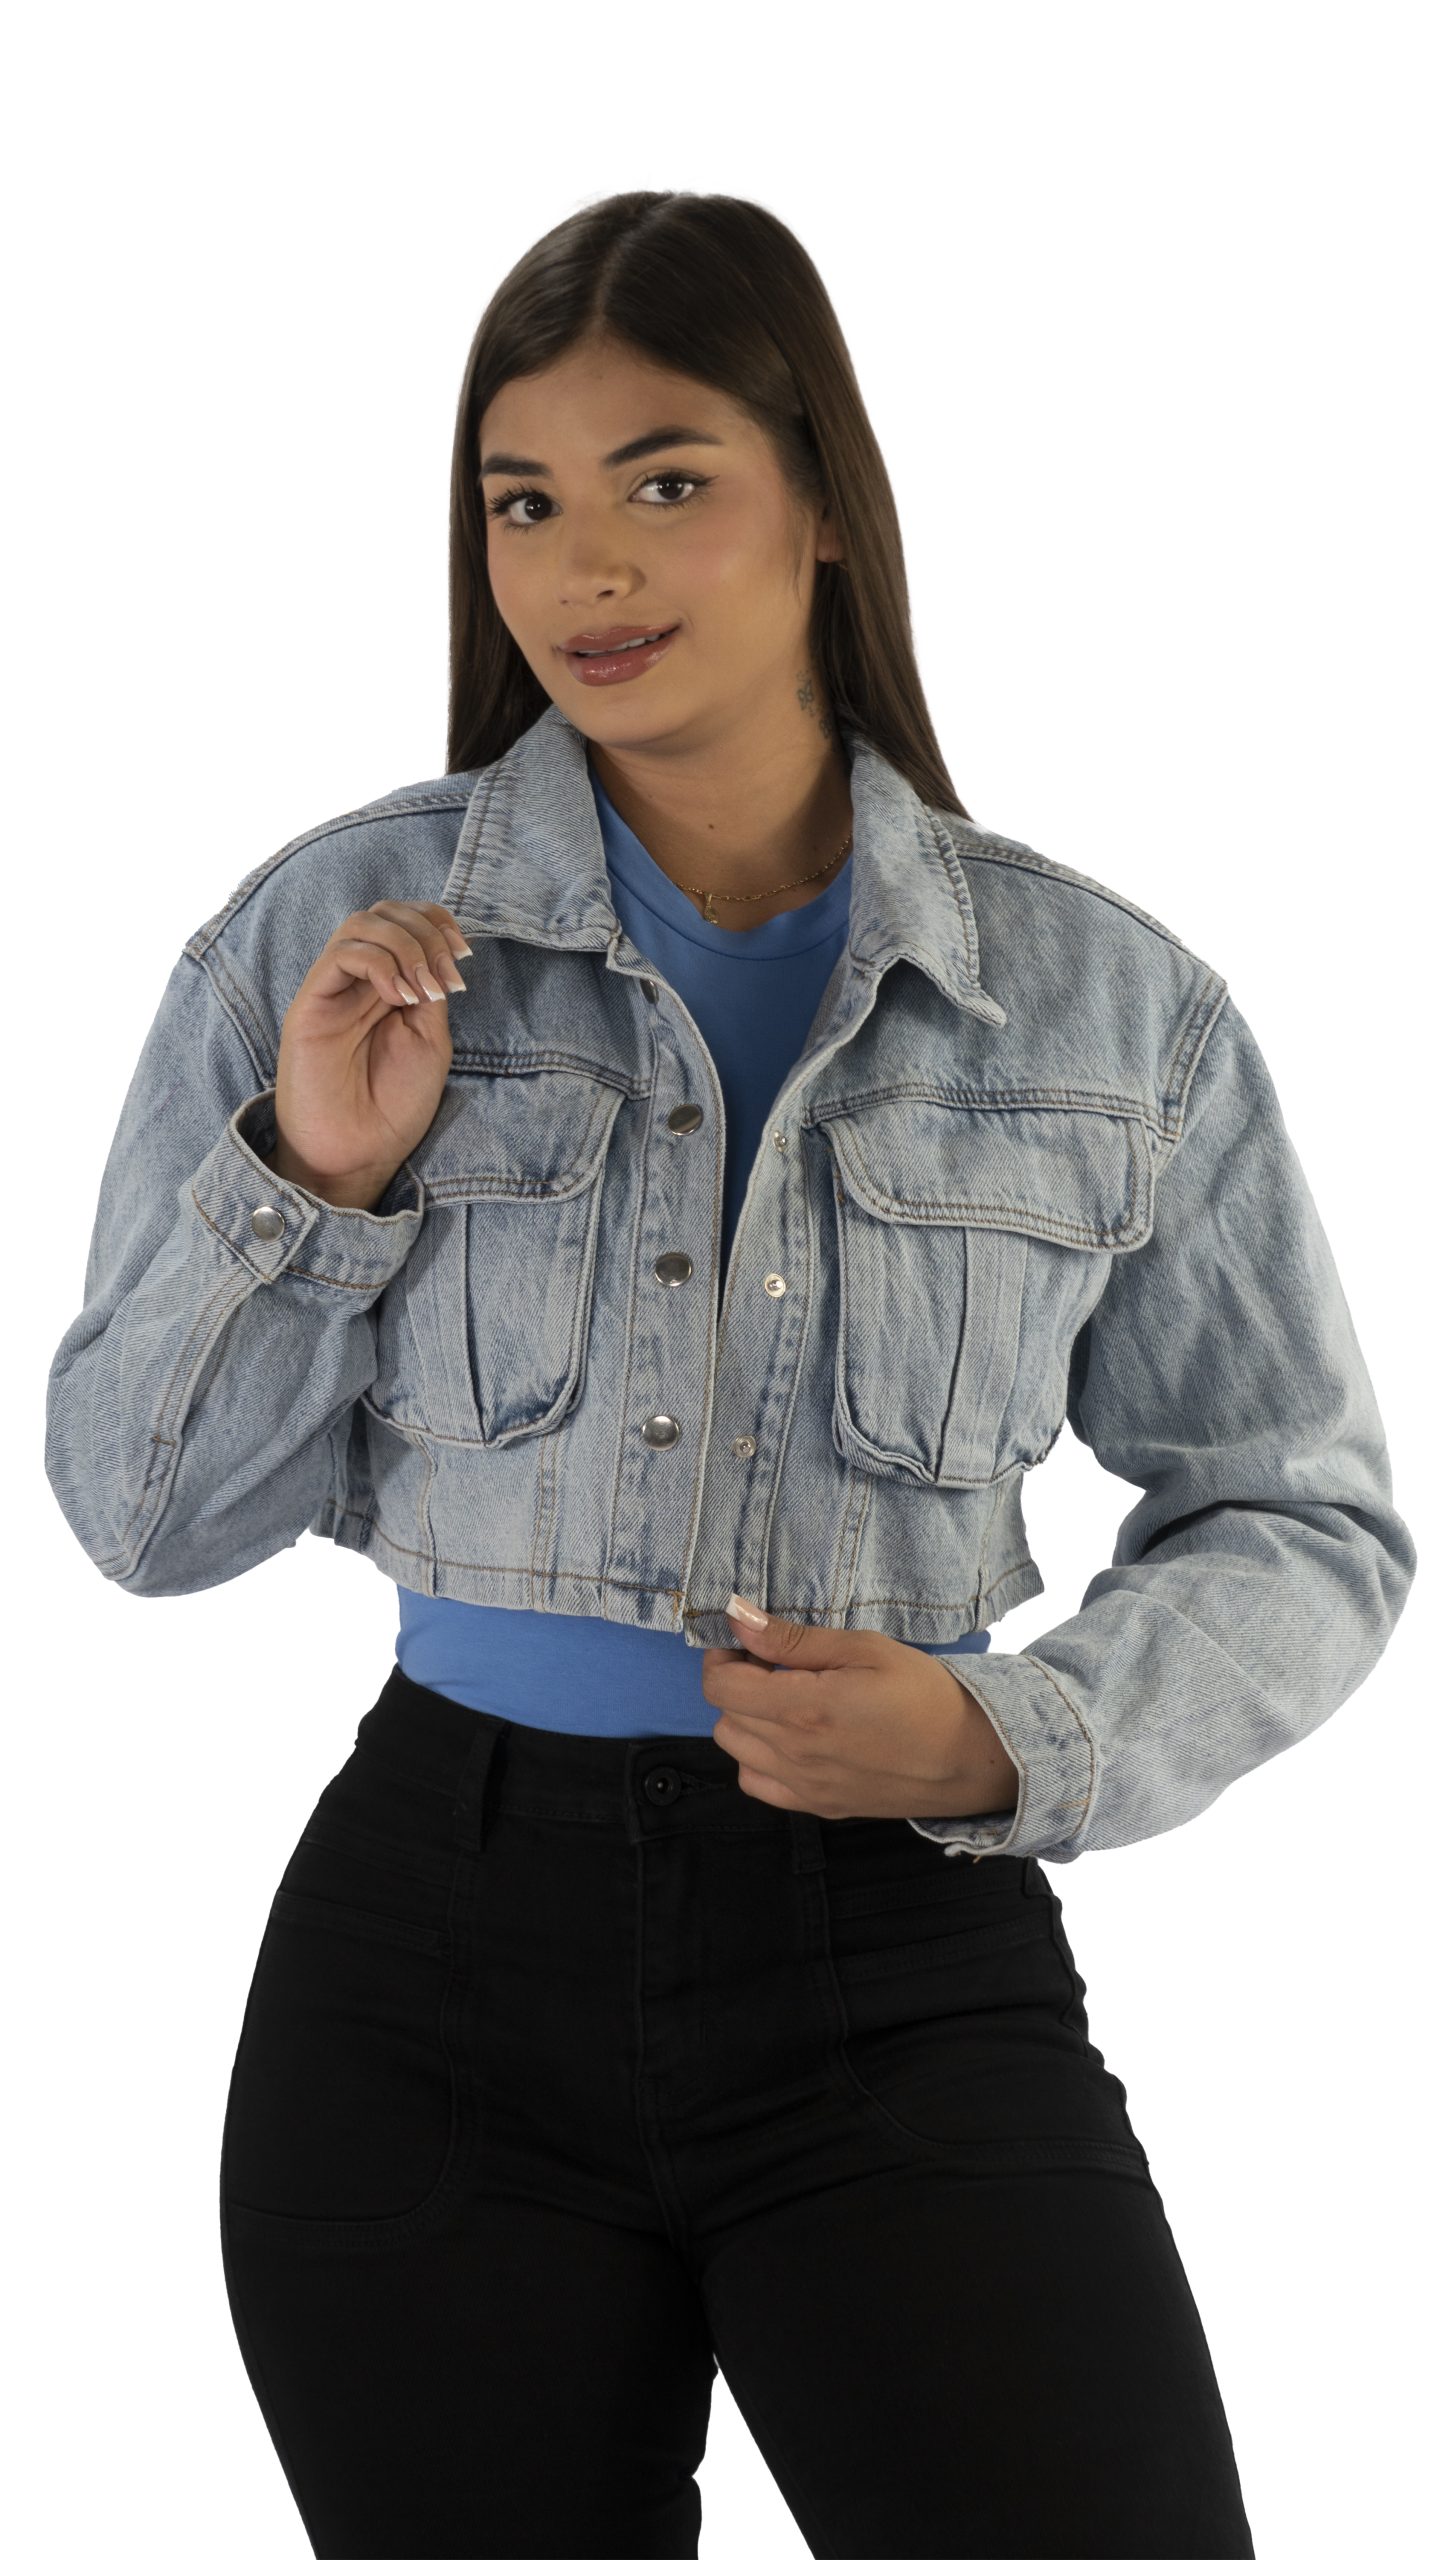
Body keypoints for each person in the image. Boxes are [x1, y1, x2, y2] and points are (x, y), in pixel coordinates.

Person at [45, 190, 1415, 2560]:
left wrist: (1012, 1729)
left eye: (663, 478)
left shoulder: (1108, 1006)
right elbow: (142, 1518)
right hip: (430, 1977)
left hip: (898, 1957)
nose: (586, 564)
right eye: (524, 501)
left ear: (823, 504)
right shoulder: (332, 942)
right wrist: (314, 1171)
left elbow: (1302, 1509)